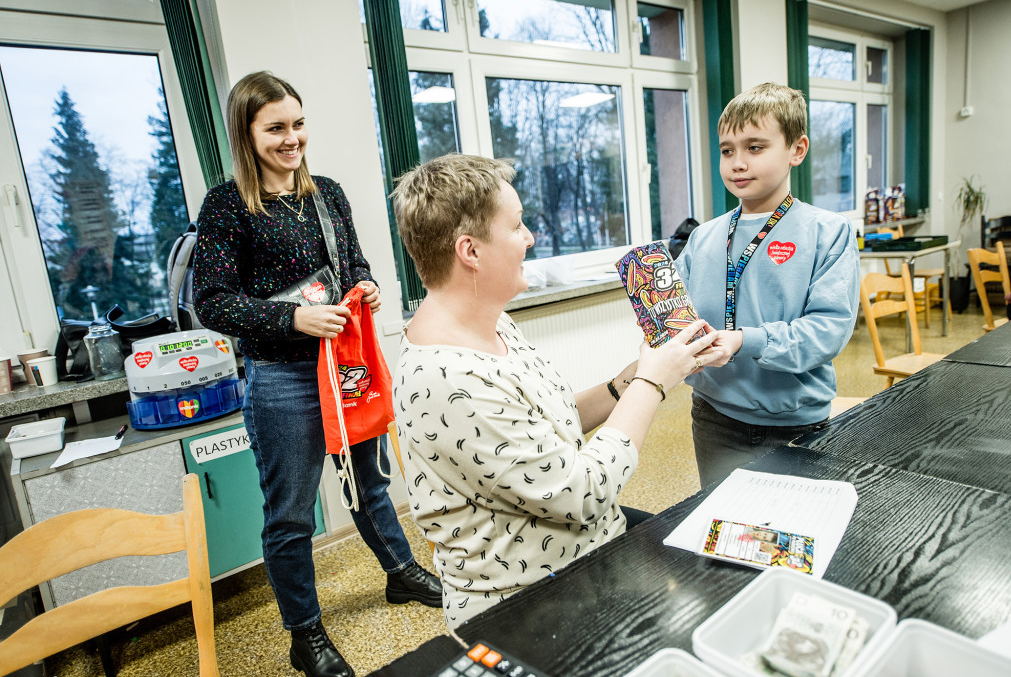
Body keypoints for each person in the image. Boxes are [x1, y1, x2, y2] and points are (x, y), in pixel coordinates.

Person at [389, 154, 721, 630]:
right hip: (528, 606)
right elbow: (580, 492)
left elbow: (550, 422)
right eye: (517, 226)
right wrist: (652, 383)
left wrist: (626, 380)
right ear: (471, 251)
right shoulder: (448, 379)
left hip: (586, 558)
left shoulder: (493, 322)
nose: (529, 237)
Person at [193, 71, 440, 677]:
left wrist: (368, 287)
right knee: (291, 515)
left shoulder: (326, 193)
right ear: (246, 134)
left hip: (343, 367)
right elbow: (213, 301)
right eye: (275, 128)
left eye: (297, 124)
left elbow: (353, 262)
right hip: (281, 377)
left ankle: (401, 574)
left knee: (370, 484)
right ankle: (305, 634)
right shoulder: (227, 206)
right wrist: (294, 318)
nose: (291, 139)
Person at [676, 82, 860, 489]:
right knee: (723, 531)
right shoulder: (703, 237)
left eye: (755, 148)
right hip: (714, 416)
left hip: (796, 423)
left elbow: (828, 331)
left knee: (791, 537)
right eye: (727, 150)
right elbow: (677, 320)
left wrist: (746, 340)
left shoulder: (828, 233)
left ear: (797, 149)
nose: (737, 163)